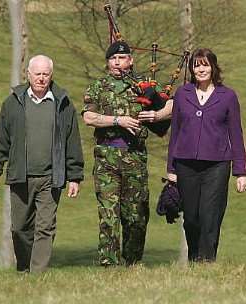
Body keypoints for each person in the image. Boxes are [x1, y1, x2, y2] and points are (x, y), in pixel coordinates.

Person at [82, 41, 172, 266]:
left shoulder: (143, 86)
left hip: (135, 157)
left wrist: (156, 115)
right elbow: (88, 117)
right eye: (113, 59)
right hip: (107, 157)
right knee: (108, 214)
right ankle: (109, 264)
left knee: (136, 216)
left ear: (131, 60)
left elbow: (171, 107)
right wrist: (117, 120)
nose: (117, 63)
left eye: (122, 58)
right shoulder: (99, 86)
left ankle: (133, 262)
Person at [0, 55, 84, 273]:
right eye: (37, 74)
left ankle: (37, 275)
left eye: (46, 74)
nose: (41, 78)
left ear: (51, 75)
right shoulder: (13, 102)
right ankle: (24, 269)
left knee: (45, 227)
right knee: (20, 228)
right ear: (28, 74)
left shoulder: (63, 103)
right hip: (20, 176)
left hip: (51, 178)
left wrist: (75, 176)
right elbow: (1, 139)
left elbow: (72, 140)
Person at [167, 48, 246, 263]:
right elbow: (175, 132)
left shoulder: (227, 96)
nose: (200, 69)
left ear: (213, 67)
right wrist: (171, 169)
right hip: (186, 165)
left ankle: (207, 261)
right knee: (191, 218)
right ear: (191, 69)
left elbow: (236, 134)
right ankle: (195, 258)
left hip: (217, 165)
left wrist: (241, 171)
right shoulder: (182, 94)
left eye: (205, 64)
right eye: (196, 65)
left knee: (210, 215)